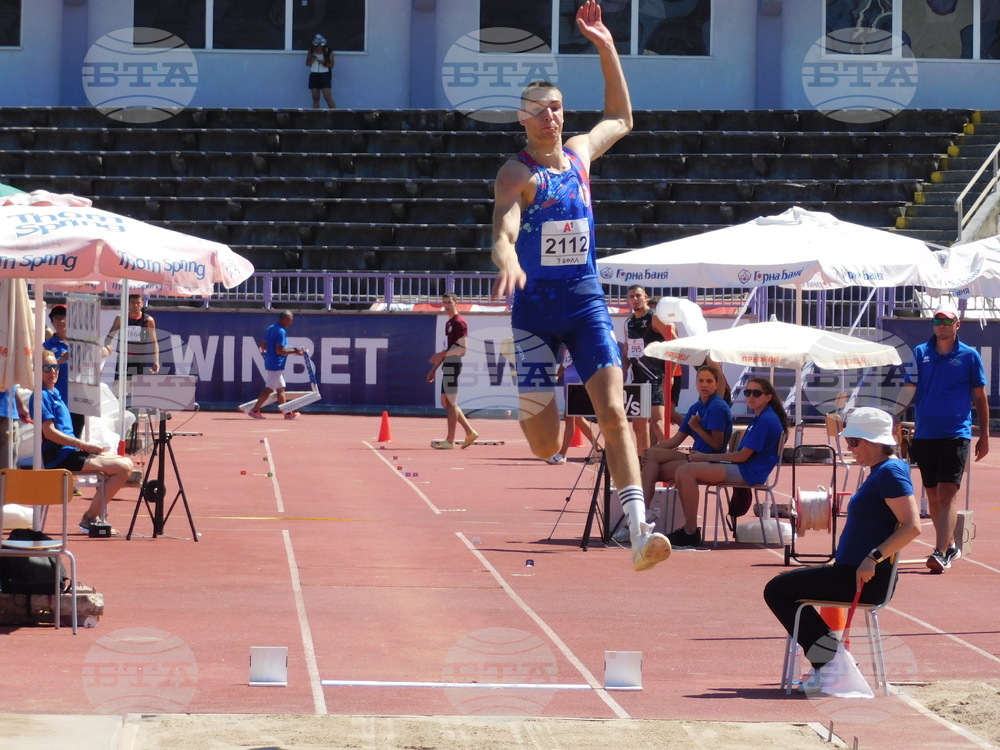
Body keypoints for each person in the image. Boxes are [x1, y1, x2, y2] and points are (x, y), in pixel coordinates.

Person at [490, 1, 670, 572]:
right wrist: (507, 261)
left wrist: (607, 47)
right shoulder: (518, 173)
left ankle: (640, 531)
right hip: (535, 315)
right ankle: (530, 390)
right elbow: (503, 226)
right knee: (546, 446)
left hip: (586, 303)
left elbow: (622, 117)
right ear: (523, 119)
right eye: (540, 111)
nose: (551, 117)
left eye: (558, 109)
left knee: (615, 413)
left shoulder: (579, 157)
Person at [763, 407, 920, 694]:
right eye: (848, 442)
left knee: (777, 590)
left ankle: (831, 665)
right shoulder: (879, 471)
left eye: (854, 442)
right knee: (782, 589)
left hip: (865, 577)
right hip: (849, 572)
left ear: (873, 441)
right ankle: (833, 662)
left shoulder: (891, 472)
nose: (849, 448)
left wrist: (873, 558)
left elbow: (912, 526)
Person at [895, 301, 989, 574]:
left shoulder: (970, 356)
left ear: (957, 325)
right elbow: (909, 386)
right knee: (934, 497)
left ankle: (940, 552)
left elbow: (980, 397)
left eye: (948, 322)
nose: (943, 326)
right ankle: (949, 545)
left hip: (956, 433)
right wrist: (895, 414)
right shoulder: (920, 352)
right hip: (925, 434)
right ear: (933, 325)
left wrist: (984, 436)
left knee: (948, 494)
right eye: (938, 321)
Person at [666, 376, 788, 548]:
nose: (751, 396)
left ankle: (690, 531)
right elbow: (739, 455)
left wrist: (705, 457)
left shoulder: (767, 419)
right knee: (682, 471)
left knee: (687, 471)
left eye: (756, 393)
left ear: (768, 397)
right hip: (743, 468)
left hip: (749, 472)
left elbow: (742, 456)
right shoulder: (760, 417)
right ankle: (689, 529)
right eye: (748, 392)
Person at [32, 349, 135, 533]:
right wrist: (82, 444)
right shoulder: (41, 396)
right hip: (59, 456)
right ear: (36, 370)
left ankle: (95, 516)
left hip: (70, 451)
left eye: (55, 367)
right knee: (124, 468)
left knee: (125, 463)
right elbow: (49, 433)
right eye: (47, 367)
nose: (53, 371)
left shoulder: (54, 392)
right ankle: (89, 518)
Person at [639, 364, 733, 518]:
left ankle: (643, 513)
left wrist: (697, 428)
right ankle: (645, 511)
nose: (704, 385)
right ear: (696, 383)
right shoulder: (696, 407)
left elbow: (717, 445)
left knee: (650, 468)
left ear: (716, 385)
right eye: (701, 381)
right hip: (693, 457)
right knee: (651, 456)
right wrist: (650, 450)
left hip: (710, 461)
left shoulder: (717, 407)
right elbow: (676, 440)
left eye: (709, 381)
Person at [623, 285, 676, 454]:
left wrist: (670, 375)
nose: (635, 299)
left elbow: (675, 345)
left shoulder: (655, 318)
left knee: (657, 423)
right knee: (638, 427)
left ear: (645, 297)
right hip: (638, 379)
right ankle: (643, 465)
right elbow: (626, 351)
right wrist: (621, 374)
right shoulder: (628, 323)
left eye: (638, 295)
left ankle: (671, 459)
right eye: (631, 296)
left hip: (656, 377)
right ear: (628, 300)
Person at [426, 292, 478, 449]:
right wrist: (434, 369)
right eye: (445, 302)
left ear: (456, 303)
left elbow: (462, 349)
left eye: (450, 302)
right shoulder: (449, 323)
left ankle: (450, 440)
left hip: (453, 365)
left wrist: (441, 355)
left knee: (451, 403)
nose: (447, 305)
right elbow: (448, 348)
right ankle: (469, 432)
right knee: (447, 403)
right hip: (448, 364)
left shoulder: (459, 322)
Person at [546, 345, 601, 465]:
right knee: (577, 418)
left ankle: (562, 454)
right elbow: (565, 363)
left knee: (569, 417)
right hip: (569, 382)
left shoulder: (584, 340)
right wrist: (556, 376)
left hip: (579, 382)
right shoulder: (568, 343)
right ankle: (598, 449)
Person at [248, 311, 304, 420]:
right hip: (276, 364)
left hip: (271, 362)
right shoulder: (281, 331)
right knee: (268, 389)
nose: (291, 323)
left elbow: (263, 346)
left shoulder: (271, 328)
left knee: (280, 388)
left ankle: (287, 413)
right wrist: (295, 351)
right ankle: (254, 410)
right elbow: (280, 351)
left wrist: (272, 353)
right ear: (284, 320)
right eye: (290, 321)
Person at [43, 304, 87, 440]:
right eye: (57, 318)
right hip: (58, 399)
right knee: (58, 437)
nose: (61, 321)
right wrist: (60, 360)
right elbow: (41, 369)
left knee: (76, 436)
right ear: (52, 322)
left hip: (79, 399)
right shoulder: (47, 346)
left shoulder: (80, 343)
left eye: (64, 318)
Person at [103, 294, 160, 378]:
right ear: (129, 304)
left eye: (138, 302)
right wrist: (107, 345)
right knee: (120, 385)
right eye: (133, 302)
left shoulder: (148, 320)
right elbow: (109, 337)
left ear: (142, 303)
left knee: (136, 388)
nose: (135, 305)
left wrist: (156, 361)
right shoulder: (121, 318)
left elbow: (154, 343)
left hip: (139, 359)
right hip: (123, 358)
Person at [0, 385, 29, 470]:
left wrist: (20, 404)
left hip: (7, 409)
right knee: (8, 464)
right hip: (7, 410)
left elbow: (10, 378)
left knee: (9, 463)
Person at [306, 34, 336, 109]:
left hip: (325, 75)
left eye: (320, 45)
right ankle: (316, 115)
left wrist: (323, 63)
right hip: (314, 75)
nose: (319, 47)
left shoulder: (328, 50)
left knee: (327, 97)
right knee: (315, 98)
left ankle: (335, 114)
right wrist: (311, 59)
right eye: (317, 45)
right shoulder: (311, 50)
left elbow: (332, 65)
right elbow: (307, 63)